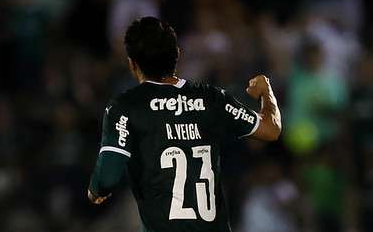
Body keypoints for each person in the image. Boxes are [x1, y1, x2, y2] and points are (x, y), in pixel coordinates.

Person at [87, 16, 282, 231]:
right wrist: (266, 91)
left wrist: (96, 190)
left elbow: (107, 177)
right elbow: (271, 130)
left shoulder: (125, 107)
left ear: (132, 64)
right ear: (177, 55)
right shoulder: (211, 98)